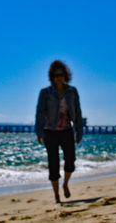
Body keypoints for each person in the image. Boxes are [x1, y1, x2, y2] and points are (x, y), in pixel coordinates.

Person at [35, 60, 83, 203]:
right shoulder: (45, 93)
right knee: (53, 164)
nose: (58, 77)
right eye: (55, 75)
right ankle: (56, 195)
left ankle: (65, 184)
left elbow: (78, 112)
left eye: (61, 75)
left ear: (65, 75)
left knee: (70, 161)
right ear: (51, 77)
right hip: (50, 131)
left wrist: (79, 131)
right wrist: (39, 132)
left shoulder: (72, 91)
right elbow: (39, 113)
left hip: (67, 131)